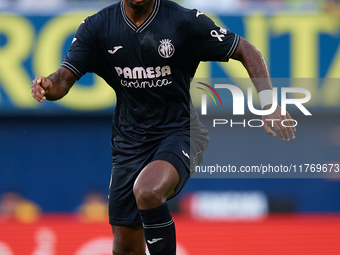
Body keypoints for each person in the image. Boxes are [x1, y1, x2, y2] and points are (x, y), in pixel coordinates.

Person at [31, 0, 296, 254]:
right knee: (125, 248)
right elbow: (63, 80)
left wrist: (270, 104)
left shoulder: (184, 21)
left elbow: (247, 50)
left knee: (148, 190)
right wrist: (48, 86)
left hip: (180, 132)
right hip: (129, 144)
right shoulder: (97, 27)